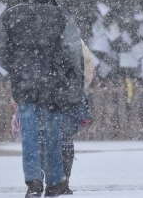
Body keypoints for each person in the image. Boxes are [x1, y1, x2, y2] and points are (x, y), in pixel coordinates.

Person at [0, 0, 85, 198]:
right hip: (53, 84)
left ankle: (33, 181)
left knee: (30, 134)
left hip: (24, 83)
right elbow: (74, 52)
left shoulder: (10, 15)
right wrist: (71, 76)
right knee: (54, 132)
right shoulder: (61, 16)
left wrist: (17, 68)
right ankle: (55, 181)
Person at [38, 33, 96, 194]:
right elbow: (88, 65)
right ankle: (63, 180)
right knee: (65, 139)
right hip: (68, 96)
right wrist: (80, 87)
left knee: (44, 138)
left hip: (44, 96)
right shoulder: (74, 39)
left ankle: (49, 180)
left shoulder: (37, 36)